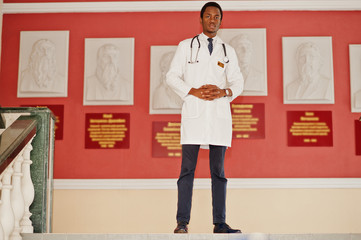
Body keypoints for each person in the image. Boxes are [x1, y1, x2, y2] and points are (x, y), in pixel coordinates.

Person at [166, 1, 244, 234]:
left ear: (221, 20)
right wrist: (193, 91)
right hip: (194, 114)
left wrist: (224, 92)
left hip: (218, 115)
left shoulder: (227, 51)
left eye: (216, 16)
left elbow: (238, 81)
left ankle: (219, 223)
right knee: (187, 169)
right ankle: (182, 222)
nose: (212, 20)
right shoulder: (185, 46)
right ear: (200, 20)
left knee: (218, 172)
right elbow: (171, 76)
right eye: (208, 16)